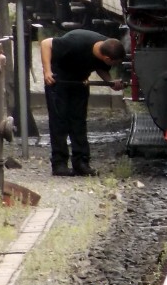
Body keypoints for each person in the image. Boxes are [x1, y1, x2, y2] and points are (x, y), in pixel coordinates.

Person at [39, 30, 126, 176]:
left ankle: (81, 162)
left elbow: (99, 66)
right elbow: (45, 44)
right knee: (59, 121)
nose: (115, 66)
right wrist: (47, 71)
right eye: (114, 63)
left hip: (80, 81)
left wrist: (110, 82)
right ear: (107, 58)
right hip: (59, 79)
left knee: (78, 122)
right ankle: (59, 163)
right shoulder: (75, 43)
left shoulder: (106, 46)